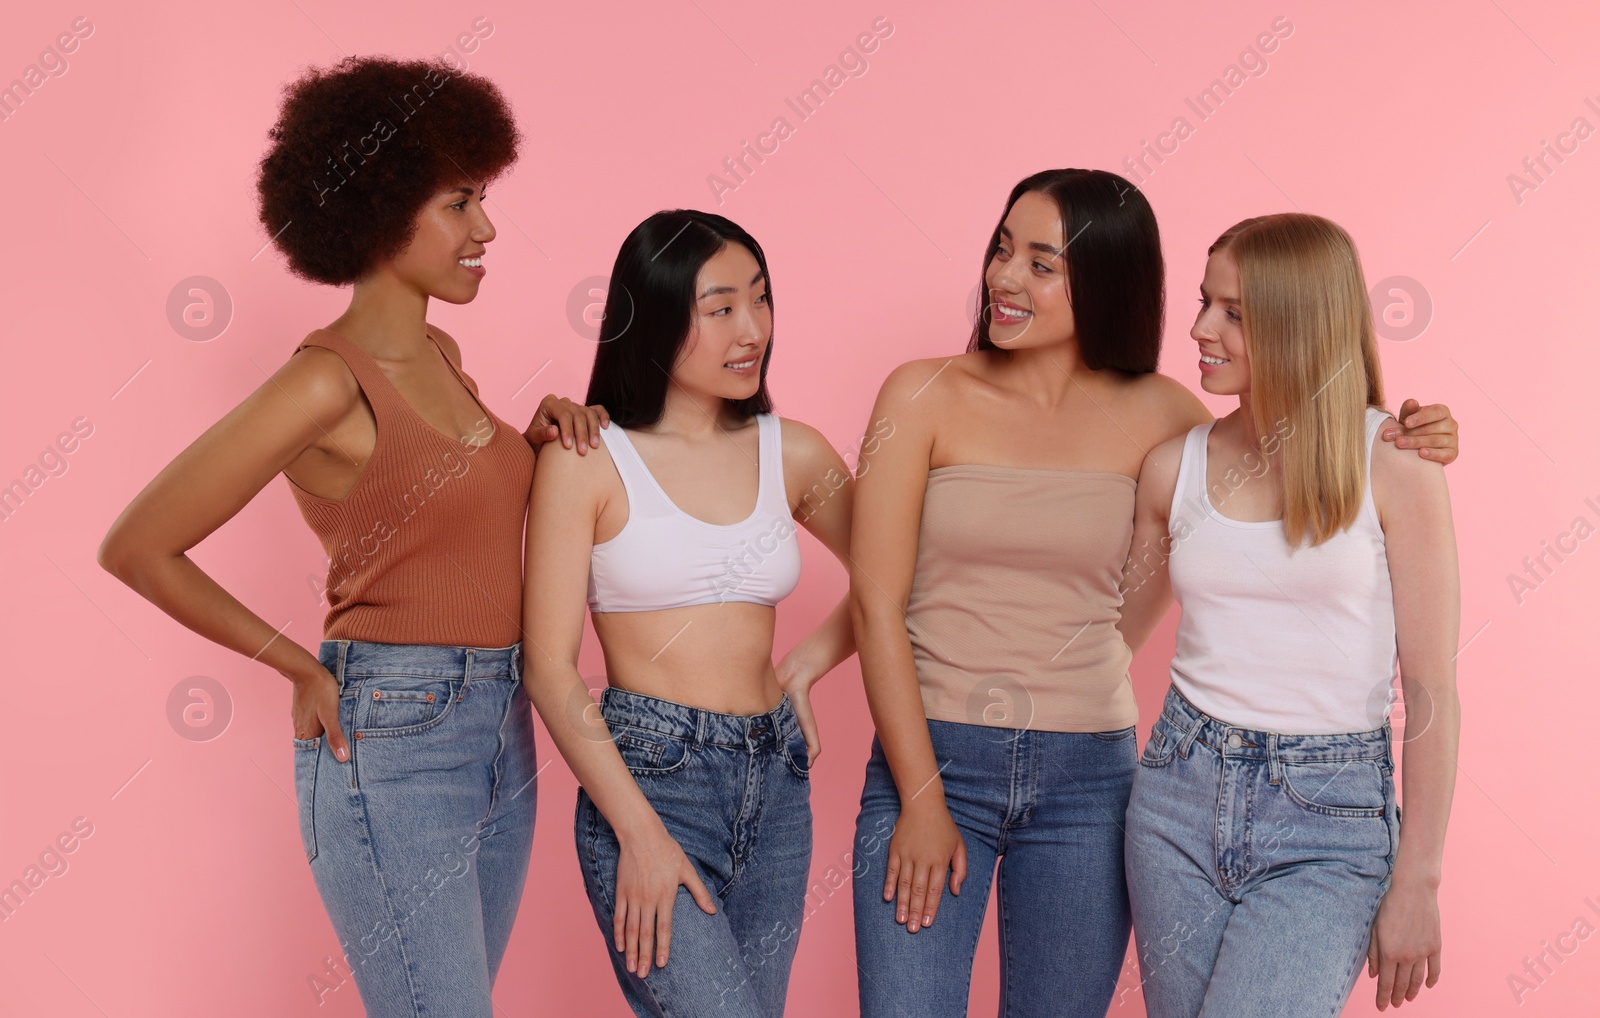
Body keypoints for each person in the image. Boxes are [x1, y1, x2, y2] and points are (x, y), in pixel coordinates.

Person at [847, 169, 1459, 1017]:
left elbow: (1423, 680)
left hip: (1167, 785)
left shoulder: (1212, 429)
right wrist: (910, 776)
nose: (1003, 276)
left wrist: (1414, 431)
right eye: (1001, 249)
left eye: (1042, 262)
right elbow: (896, 601)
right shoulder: (946, 400)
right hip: (1074, 776)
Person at [96, 56, 604, 1017]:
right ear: (379, 209)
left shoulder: (445, 358)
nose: (486, 229)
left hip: (502, 722)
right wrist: (300, 666)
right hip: (394, 737)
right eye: (460, 204)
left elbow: (452, 509)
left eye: (482, 200)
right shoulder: (325, 382)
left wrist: (539, 443)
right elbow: (138, 544)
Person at [1117, 212, 1459, 1016]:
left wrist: (1419, 876)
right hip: (1175, 795)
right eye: (1205, 303)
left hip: (1329, 821)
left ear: (1299, 319)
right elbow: (1107, 637)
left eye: (1233, 312)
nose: (1199, 327)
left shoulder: (1397, 463)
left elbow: (1433, 686)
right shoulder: (1175, 467)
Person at [519, 210, 856, 1017]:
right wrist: (637, 833)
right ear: (658, 318)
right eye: (720, 308)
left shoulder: (796, 452)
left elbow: (900, 582)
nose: (752, 331)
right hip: (650, 778)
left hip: (776, 782)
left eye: (762, 300)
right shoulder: (588, 461)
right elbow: (549, 671)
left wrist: (804, 668)